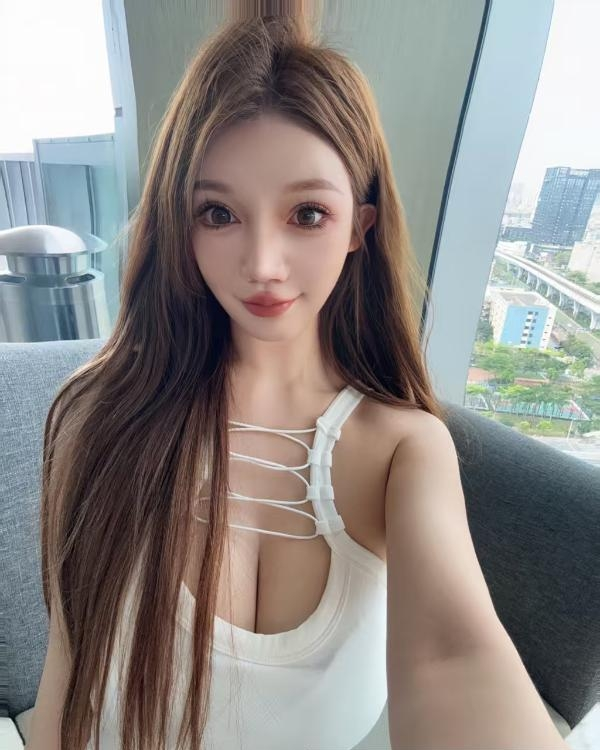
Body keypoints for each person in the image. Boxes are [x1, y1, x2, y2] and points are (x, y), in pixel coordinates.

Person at [27, 4, 571, 750]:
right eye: (218, 213)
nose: (262, 265)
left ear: (359, 228)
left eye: (307, 214)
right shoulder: (98, 416)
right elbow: (67, 679)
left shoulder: (401, 451)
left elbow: (455, 656)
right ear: (179, 225)